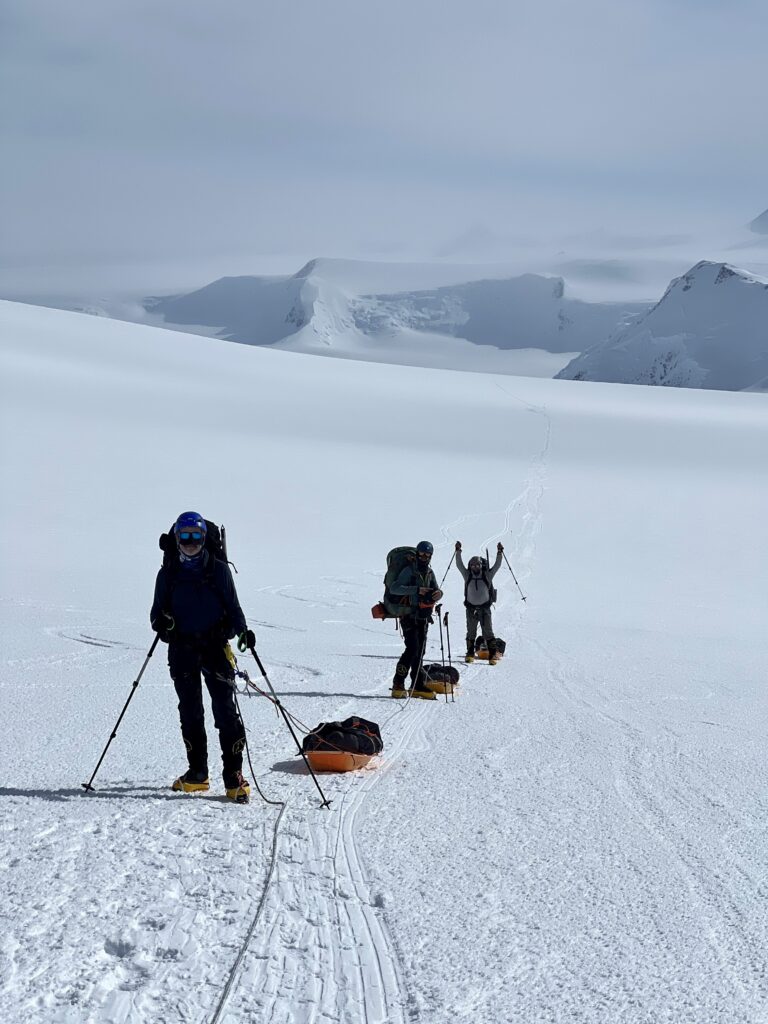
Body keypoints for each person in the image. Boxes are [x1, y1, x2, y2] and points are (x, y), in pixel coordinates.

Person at [150, 511, 255, 802]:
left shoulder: (218, 570)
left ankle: (233, 778)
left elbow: (234, 610)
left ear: (204, 538)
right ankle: (198, 774)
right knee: (190, 712)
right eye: (185, 537)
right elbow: (156, 616)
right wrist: (165, 623)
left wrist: (243, 631)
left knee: (225, 712)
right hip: (182, 650)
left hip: (215, 648)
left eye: (196, 537)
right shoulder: (168, 573)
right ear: (177, 538)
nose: (191, 543)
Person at [389, 540, 443, 699]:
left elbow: (436, 589)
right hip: (408, 615)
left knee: (420, 651)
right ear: (417, 553)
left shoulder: (429, 573)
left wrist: (439, 594)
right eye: (422, 553)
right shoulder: (408, 571)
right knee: (412, 649)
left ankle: (417, 683)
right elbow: (395, 588)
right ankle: (398, 683)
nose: (424, 557)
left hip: (423, 617)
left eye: (428, 554)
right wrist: (417, 590)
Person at [455, 541, 503, 664]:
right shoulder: (467, 575)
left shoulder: (487, 575)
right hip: (471, 608)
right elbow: (459, 565)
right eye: (473, 565)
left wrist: (499, 553)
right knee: (471, 631)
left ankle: (492, 655)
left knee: (488, 631)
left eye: (477, 565)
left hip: (485, 608)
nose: (475, 567)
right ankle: (470, 653)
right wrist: (458, 551)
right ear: (470, 566)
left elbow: (497, 566)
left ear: (481, 565)